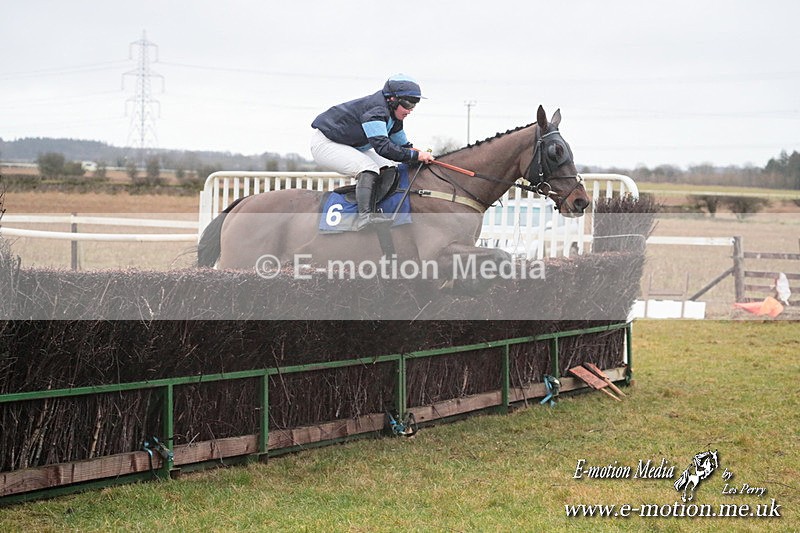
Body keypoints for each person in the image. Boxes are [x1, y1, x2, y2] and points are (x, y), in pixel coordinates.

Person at [311, 74, 435, 229]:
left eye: (414, 104)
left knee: (388, 168)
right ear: (392, 99)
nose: (410, 110)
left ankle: (372, 206)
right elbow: (383, 147)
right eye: (408, 103)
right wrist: (415, 155)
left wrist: (420, 156)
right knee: (368, 168)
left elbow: (404, 147)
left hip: (350, 145)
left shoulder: (395, 116)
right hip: (326, 143)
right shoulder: (375, 111)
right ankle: (364, 217)